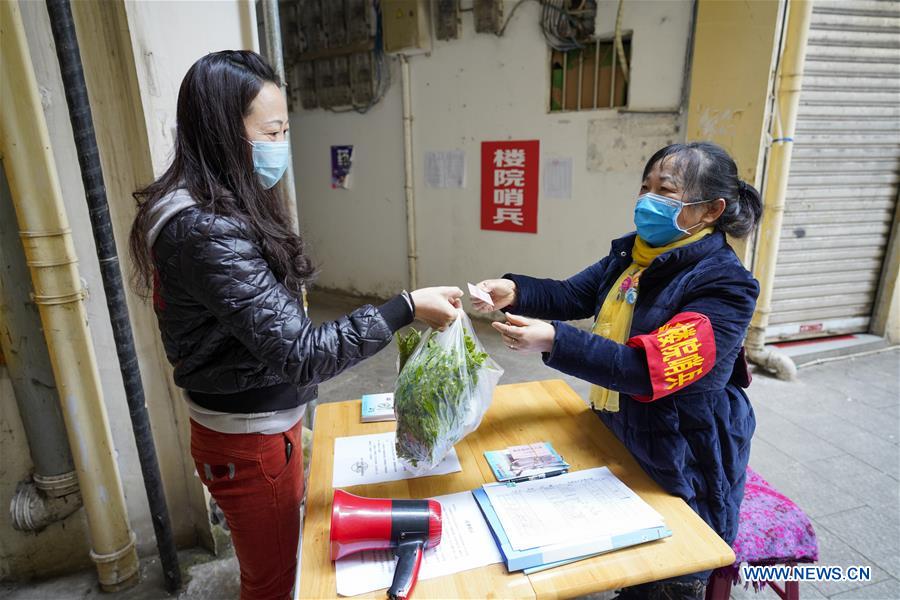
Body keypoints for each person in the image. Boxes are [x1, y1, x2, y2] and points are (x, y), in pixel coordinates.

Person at [129, 50, 461, 600]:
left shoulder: (223, 202)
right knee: (275, 581)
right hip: (248, 441)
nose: (281, 142)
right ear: (220, 132)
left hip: (263, 422)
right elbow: (303, 353)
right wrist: (405, 306)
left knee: (290, 560)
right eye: (272, 130)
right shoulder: (204, 229)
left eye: (285, 127)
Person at [474, 142, 762, 600]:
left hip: (685, 454)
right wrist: (514, 289)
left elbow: (647, 369)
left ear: (711, 210)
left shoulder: (726, 286)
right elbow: (572, 295)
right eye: (645, 188)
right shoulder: (634, 256)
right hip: (625, 430)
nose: (647, 201)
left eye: (665, 191)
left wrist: (553, 339)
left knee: (661, 578)